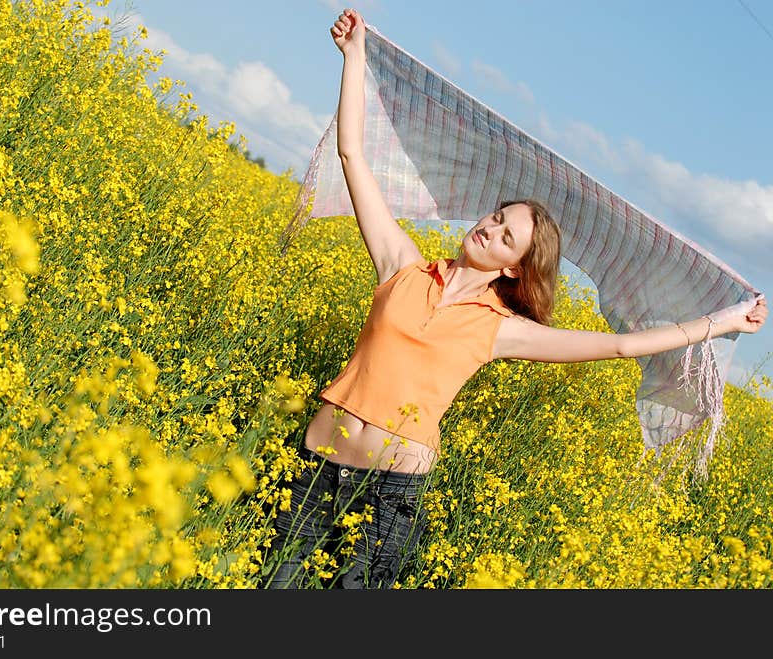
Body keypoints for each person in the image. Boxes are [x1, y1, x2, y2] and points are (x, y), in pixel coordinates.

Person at [262, 8, 768, 589]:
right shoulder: (401, 264)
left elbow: (626, 345)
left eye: (508, 236)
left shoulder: (500, 327)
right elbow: (353, 154)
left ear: (515, 268)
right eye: (496, 217)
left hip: (390, 495)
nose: (491, 229)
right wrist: (354, 59)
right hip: (312, 469)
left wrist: (720, 320)